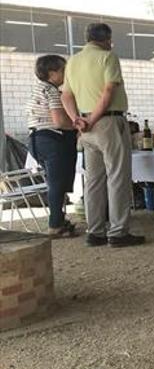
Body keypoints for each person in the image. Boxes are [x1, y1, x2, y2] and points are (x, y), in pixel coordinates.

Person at [61, 23, 145, 248]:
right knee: (117, 176)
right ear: (107, 39)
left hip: (85, 127)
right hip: (107, 121)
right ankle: (118, 232)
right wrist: (94, 118)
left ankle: (95, 231)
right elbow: (109, 91)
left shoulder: (73, 61)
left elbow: (66, 95)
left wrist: (77, 119)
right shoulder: (108, 57)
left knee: (94, 180)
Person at [26, 54, 78, 237]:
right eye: (63, 70)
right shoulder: (52, 91)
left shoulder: (38, 89)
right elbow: (58, 121)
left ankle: (59, 219)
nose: (66, 75)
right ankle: (55, 224)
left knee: (53, 181)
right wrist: (77, 125)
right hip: (52, 139)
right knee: (57, 183)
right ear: (51, 73)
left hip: (36, 139)